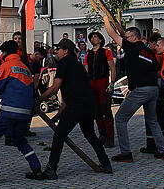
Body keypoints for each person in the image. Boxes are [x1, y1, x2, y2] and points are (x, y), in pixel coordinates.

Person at [37, 38, 112, 180]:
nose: (56, 51)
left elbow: (55, 87)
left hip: (76, 106)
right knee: (90, 134)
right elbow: (70, 93)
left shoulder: (64, 63)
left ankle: (51, 169)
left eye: (58, 49)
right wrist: (59, 113)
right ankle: (106, 164)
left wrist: (39, 99)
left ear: (66, 51)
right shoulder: (77, 65)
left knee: (59, 135)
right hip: (88, 105)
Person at [102, 15, 164, 161]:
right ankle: (163, 150)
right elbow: (157, 71)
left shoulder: (131, 47)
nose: (124, 39)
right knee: (152, 120)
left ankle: (126, 153)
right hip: (153, 89)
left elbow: (112, 34)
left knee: (120, 118)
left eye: (127, 36)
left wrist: (106, 19)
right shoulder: (148, 52)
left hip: (140, 89)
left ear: (133, 37)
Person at [0, 40, 41, 184]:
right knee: (18, 139)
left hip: (10, 109)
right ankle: (36, 168)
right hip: (26, 112)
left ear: (4, 53)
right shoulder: (24, 67)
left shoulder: (6, 66)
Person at [84, 31, 116, 148]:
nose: (93, 39)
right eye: (91, 37)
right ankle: (102, 134)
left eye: (95, 37)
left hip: (102, 82)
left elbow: (112, 68)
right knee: (96, 111)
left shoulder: (106, 52)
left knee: (106, 110)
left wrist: (112, 83)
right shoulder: (89, 54)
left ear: (100, 40)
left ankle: (110, 136)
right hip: (92, 83)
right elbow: (86, 69)